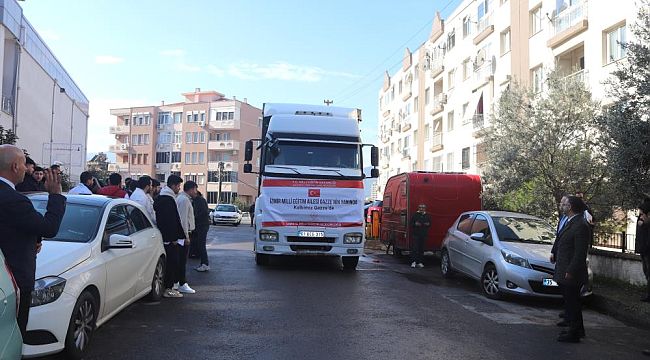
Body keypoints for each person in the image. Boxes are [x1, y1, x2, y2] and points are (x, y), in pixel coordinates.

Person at [0, 145, 66, 337]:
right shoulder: (14, 200)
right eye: (24, 165)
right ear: (14, 166)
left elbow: (13, 226)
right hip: (13, 282)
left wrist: (32, 237)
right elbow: (49, 228)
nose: (27, 169)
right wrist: (55, 195)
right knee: (12, 336)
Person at [553, 195, 589, 343]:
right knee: (570, 302)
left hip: (571, 271)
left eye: (565, 203)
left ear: (571, 207)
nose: (562, 205)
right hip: (564, 267)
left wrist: (571, 270)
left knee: (573, 302)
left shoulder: (580, 224)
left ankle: (574, 333)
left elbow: (580, 252)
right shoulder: (570, 221)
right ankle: (577, 329)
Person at [153, 175, 185, 298]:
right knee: (172, 263)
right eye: (178, 186)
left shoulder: (162, 197)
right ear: (173, 185)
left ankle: (167, 287)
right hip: (169, 239)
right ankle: (168, 289)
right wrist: (174, 238)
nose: (179, 189)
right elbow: (171, 221)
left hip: (164, 237)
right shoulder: (168, 199)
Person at [175, 181, 196, 293]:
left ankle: (178, 282)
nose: (196, 192)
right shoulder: (184, 200)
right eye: (195, 189)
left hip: (183, 233)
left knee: (181, 260)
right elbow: (183, 219)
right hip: (184, 233)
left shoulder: (182, 198)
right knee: (182, 260)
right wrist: (186, 236)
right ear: (191, 189)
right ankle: (182, 283)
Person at [635, 199, 650, 302]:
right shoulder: (642, 223)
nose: (640, 217)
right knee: (646, 272)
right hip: (643, 251)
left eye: (642, 215)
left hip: (648, 252)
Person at [192, 191, 211, 272]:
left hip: (201, 225)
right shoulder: (201, 200)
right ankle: (204, 263)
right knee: (200, 244)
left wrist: (193, 218)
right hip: (203, 224)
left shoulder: (198, 201)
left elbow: (200, 213)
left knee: (201, 244)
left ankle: (205, 264)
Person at [410, 204, 431, 268]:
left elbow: (430, 223)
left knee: (421, 249)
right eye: (420, 207)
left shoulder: (427, 215)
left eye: (423, 208)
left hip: (423, 234)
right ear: (418, 208)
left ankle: (420, 262)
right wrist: (415, 224)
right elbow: (411, 223)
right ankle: (413, 262)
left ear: (425, 208)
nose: (421, 209)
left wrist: (427, 224)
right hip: (416, 234)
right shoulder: (415, 215)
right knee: (415, 248)